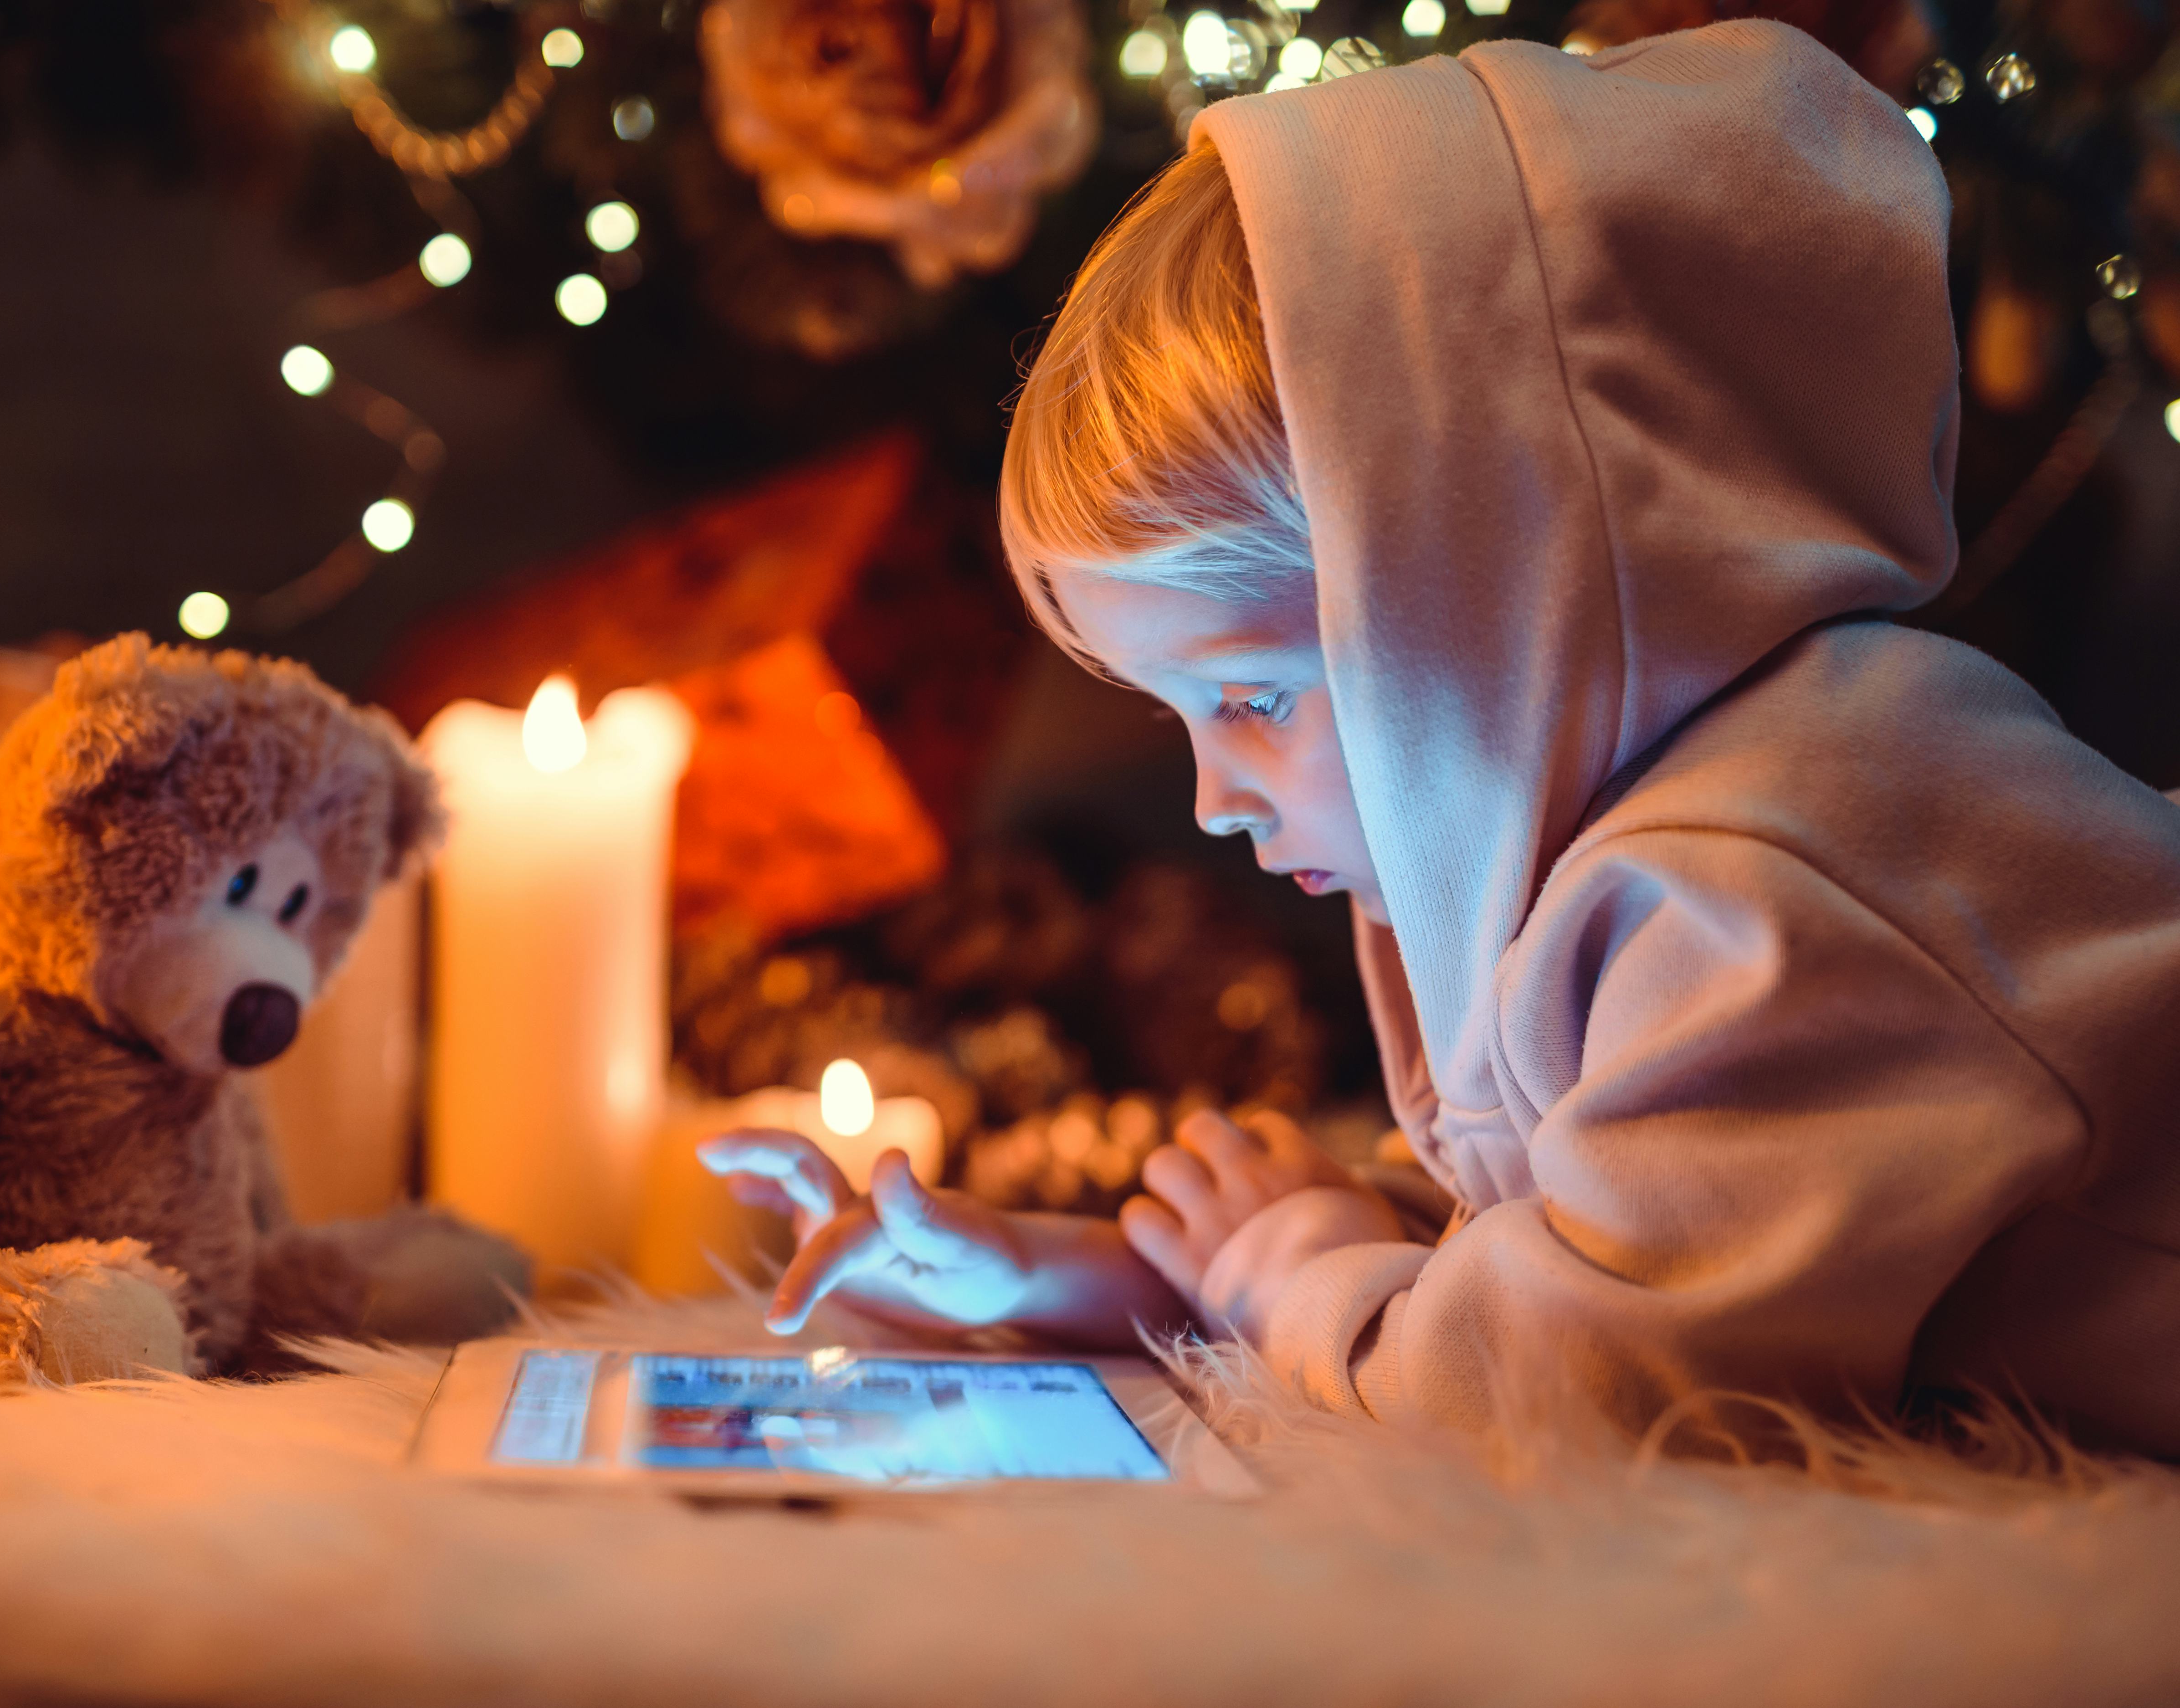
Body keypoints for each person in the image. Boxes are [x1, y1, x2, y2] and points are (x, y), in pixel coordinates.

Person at [703, 21, 2180, 1453]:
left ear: (1507, 583)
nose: (1214, 799)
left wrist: (1298, 1269)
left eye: (1252, 700)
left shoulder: (1771, 887)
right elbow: (1555, 1245)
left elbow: (1586, 1389)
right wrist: (1048, 1274)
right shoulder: (1616, 845)